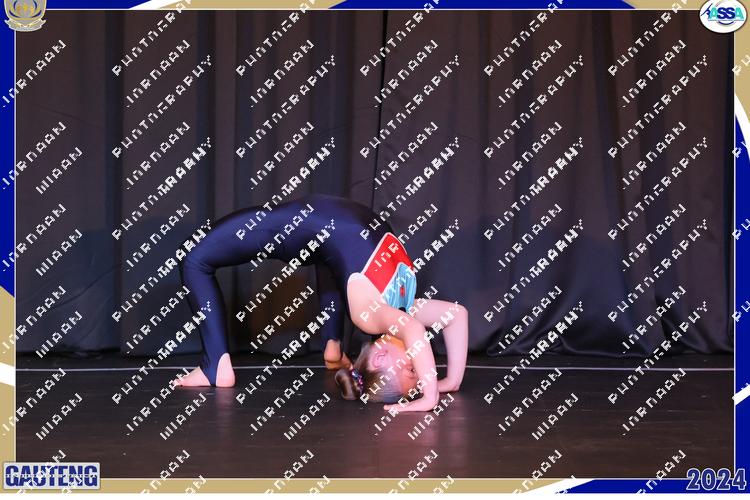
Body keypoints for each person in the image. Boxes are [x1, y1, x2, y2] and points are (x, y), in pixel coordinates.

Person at [174, 193, 468, 412]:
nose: (421, 368)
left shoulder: (370, 316)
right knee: (330, 257)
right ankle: (332, 347)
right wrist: (447, 383)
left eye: (411, 372)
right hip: (321, 227)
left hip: (299, 224)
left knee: (193, 259)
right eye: (419, 375)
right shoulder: (404, 307)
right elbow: (456, 315)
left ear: (379, 358)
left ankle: (215, 367)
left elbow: (415, 330)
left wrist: (429, 394)